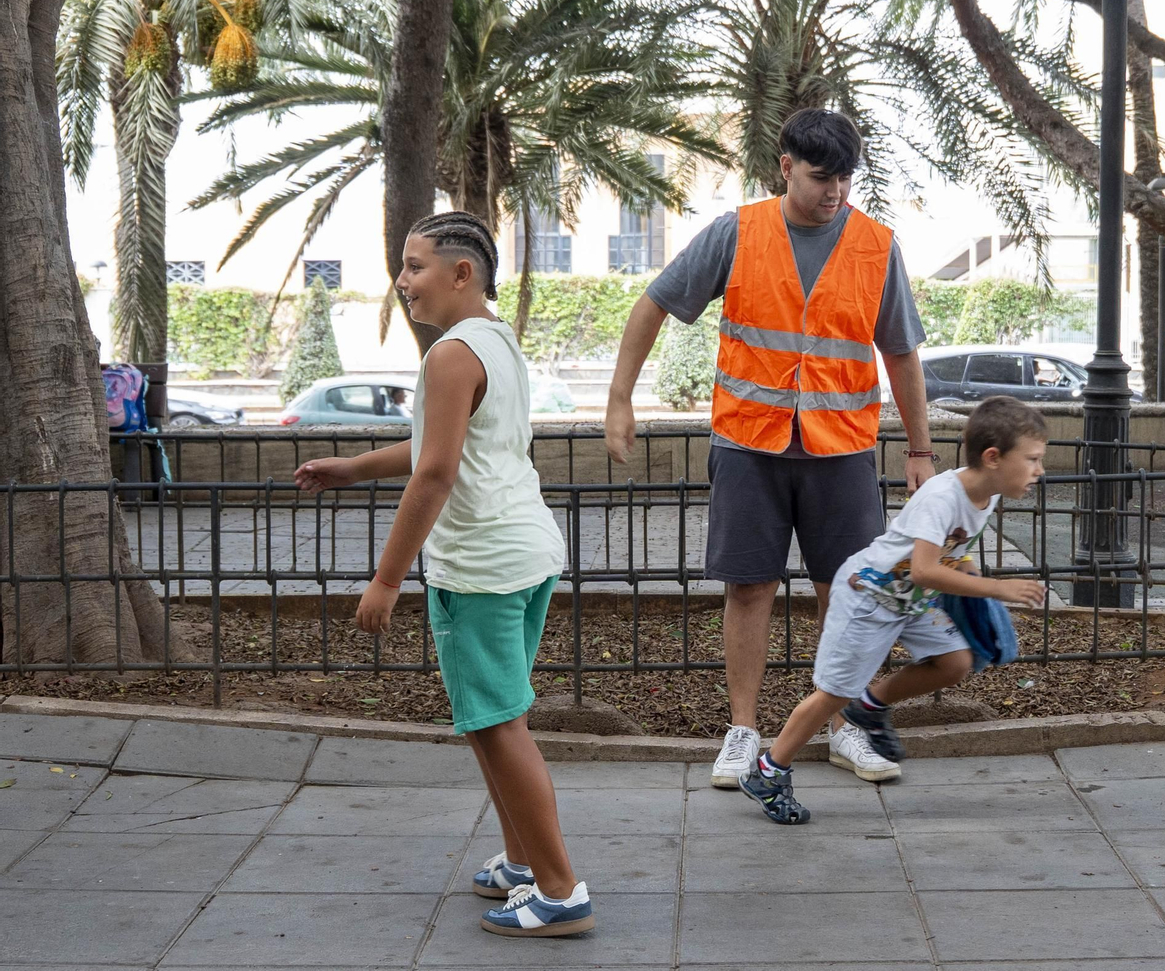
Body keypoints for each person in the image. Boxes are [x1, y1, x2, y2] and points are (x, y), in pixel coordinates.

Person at [605, 108, 937, 788]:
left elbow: (901, 353)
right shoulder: (737, 231)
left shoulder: (877, 245)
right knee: (749, 587)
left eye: (845, 177)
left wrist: (921, 450)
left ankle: (844, 727)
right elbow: (653, 303)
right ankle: (743, 731)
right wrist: (619, 398)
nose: (835, 191)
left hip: (841, 449)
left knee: (849, 592)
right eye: (820, 177)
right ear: (786, 167)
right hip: (748, 443)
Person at [293, 211, 593, 938]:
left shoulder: (449, 356)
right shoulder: (495, 340)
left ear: (462, 273)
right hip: (525, 552)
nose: (402, 280)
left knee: (495, 725)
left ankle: (560, 890)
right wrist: (354, 468)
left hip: (480, 566)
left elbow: (435, 471)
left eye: (415, 265)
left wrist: (386, 579)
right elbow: (446, 442)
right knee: (500, 719)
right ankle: (523, 864)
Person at [739, 396, 1049, 824]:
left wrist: (977, 591)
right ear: (993, 457)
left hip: (910, 601)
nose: (1040, 470)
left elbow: (951, 550)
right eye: (1032, 459)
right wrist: (996, 588)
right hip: (868, 597)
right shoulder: (943, 496)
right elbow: (924, 569)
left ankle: (871, 706)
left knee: (955, 662)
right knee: (834, 693)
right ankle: (769, 770)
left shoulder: (986, 496)